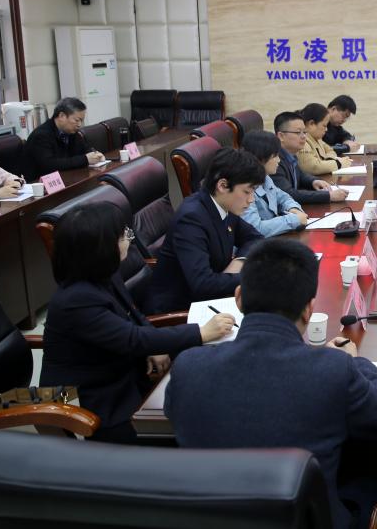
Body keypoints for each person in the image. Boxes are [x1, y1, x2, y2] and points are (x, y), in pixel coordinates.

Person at [166, 238, 377, 529]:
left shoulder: (188, 367)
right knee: (369, 486)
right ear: (309, 309)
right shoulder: (334, 369)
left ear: (239, 298)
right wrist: (356, 361)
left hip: (214, 519)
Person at [40, 202, 235, 443]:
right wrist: (201, 332)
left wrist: (155, 347)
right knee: (195, 425)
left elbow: (134, 315)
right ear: (101, 247)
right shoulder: (76, 300)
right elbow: (132, 339)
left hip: (125, 372)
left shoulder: (103, 274)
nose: (129, 239)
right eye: (123, 235)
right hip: (97, 401)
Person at [145, 148, 264, 314]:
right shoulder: (191, 219)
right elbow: (203, 284)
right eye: (247, 192)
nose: (251, 200)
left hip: (214, 298)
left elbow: (255, 238)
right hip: (180, 311)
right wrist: (253, 277)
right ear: (222, 186)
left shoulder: (224, 205)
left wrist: (239, 262)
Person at [240, 130, 309, 236]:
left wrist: (293, 209)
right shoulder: (243, 186)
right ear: (260, 158)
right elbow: (255, 229)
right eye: (275, 156)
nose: (279, 160)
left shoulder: (265, 177)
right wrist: (293, 220)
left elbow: (283, 197)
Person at [272, 111, 347, 205]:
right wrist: (328, 196)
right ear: (281, 136)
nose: (304, 137)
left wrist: (313, 181)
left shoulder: (290, 154)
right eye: (298, 132)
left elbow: (300, 175)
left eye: (304, 132)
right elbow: (288, 194)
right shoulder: (273, 160)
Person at [25, 97, 105, 179]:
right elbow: (50, 165)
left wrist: (95, 154)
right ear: (62, 116)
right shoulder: (41, 135)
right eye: (77, 120)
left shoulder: (71, 131)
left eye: (81, 121)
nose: (79, 124)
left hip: (66, 177)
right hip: (40, 183)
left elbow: (84, 149)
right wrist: (85, 159)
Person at [298, 103, 354, 175]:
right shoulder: (302, 141)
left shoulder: (317, 139)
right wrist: (338, 163)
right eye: (324, 126)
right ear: (311, 123)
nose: (326, 129)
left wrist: (327, 160)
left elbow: (330, 150)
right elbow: (313, 167)